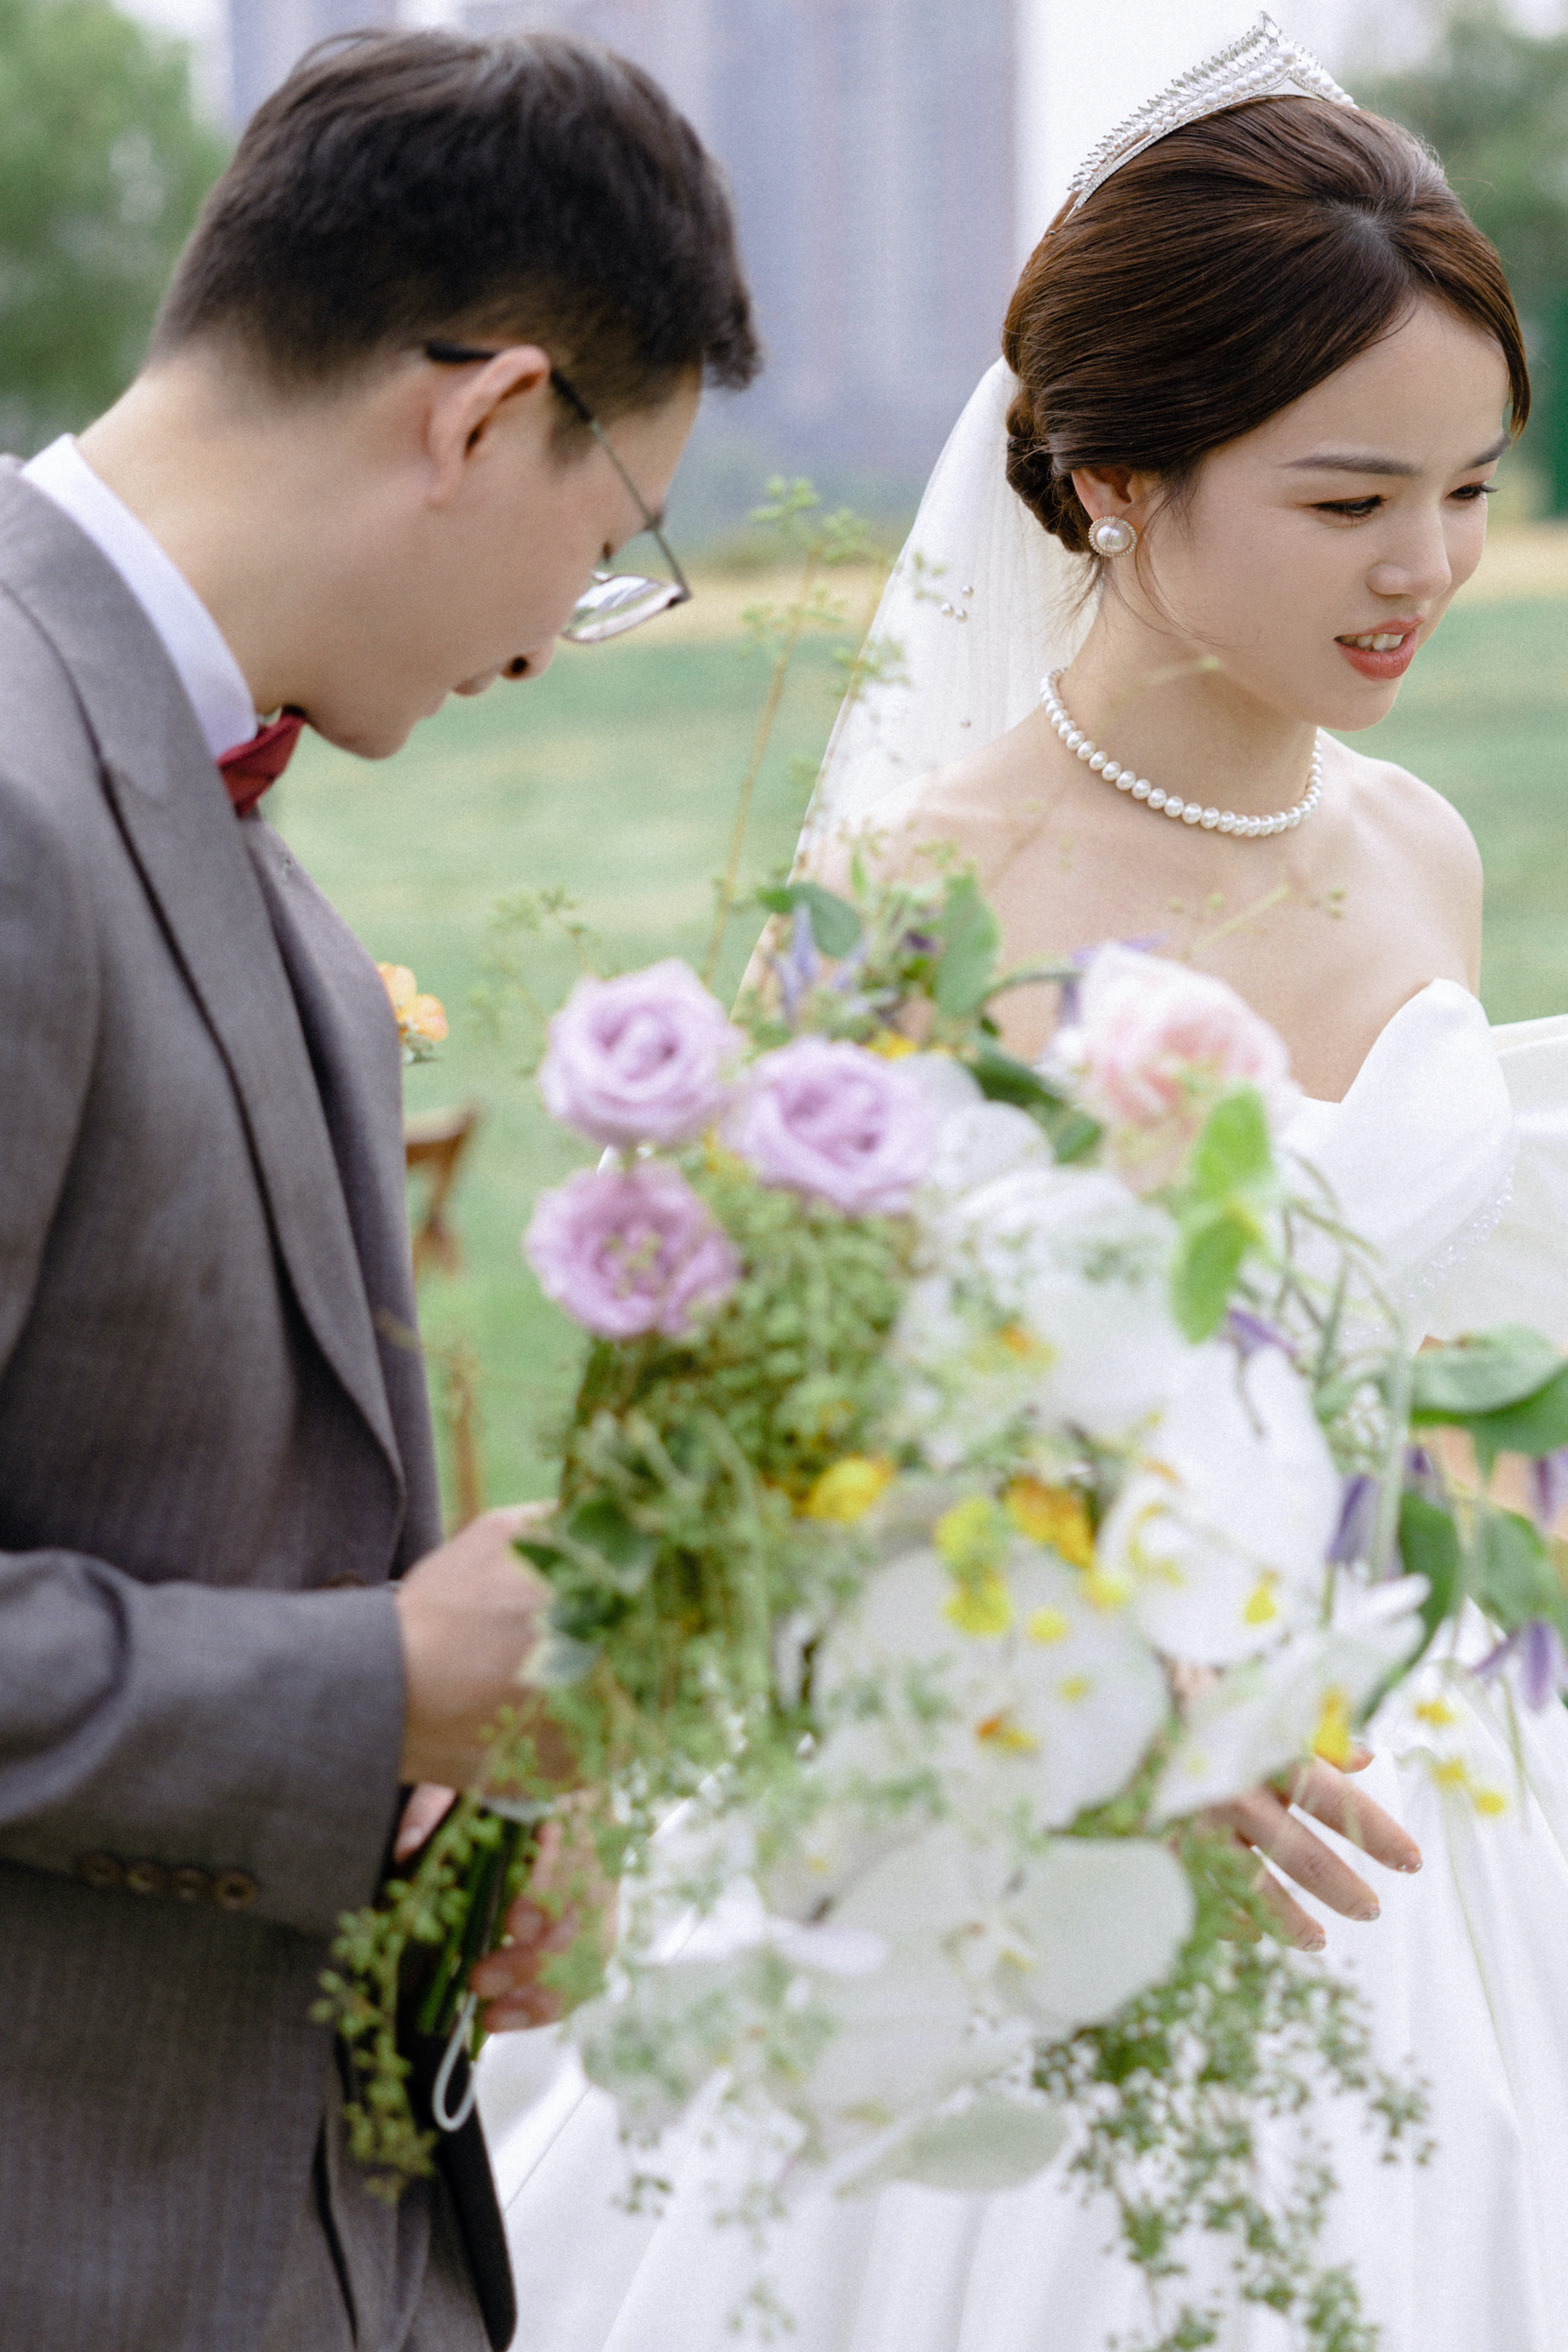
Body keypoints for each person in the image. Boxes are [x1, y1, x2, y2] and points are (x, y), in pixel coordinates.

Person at [477, 25, 1568, 2352]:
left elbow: (1414, 1343)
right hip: (1035, 1816)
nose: (1426, 566)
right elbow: (763, 1455)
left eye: (1471, 487)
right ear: (1108, 476)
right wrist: (1107, 1724)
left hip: (1422, 1796)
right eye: (1348, 498)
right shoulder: (916, 897)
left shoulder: (1420, 847)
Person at [0, 25, 757, 2352]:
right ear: (484, 414)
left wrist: (420, 1798)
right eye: (609, 550)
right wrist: (380, 1689)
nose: (555, 639)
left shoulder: (199, 793)